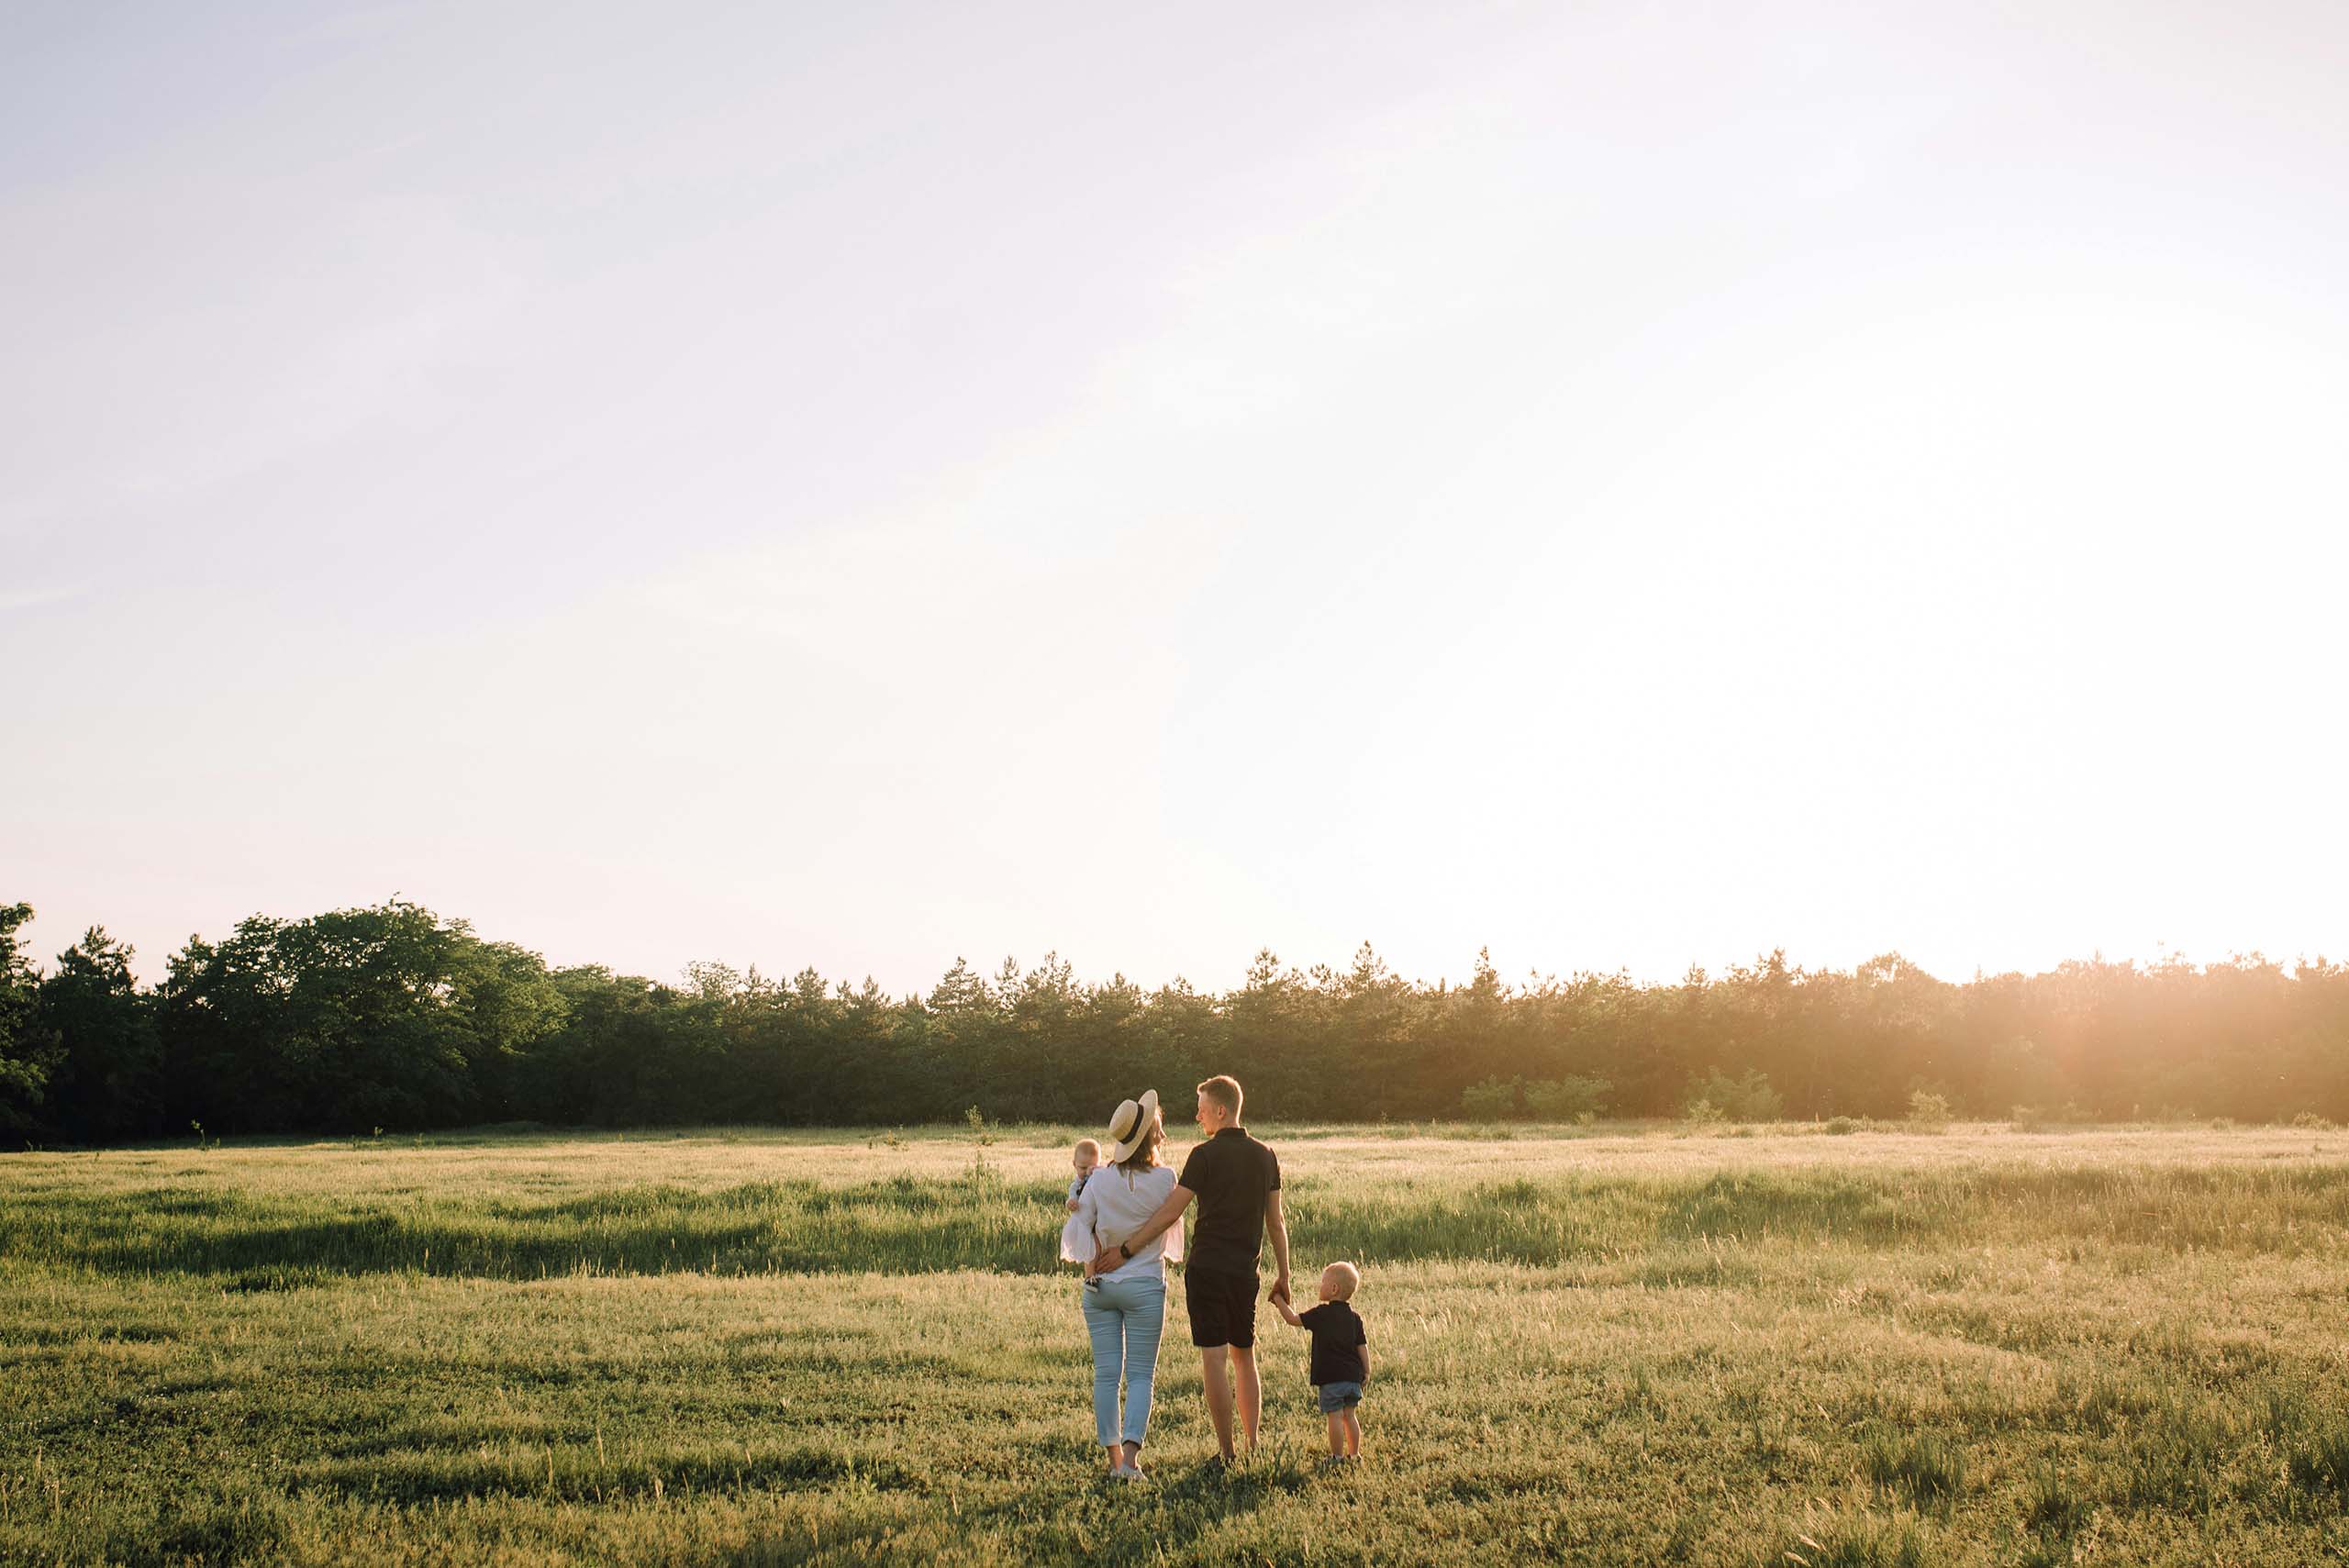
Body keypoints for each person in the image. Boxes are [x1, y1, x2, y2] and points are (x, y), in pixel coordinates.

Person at [1091, 1074, 1289, 1465]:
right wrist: (1284, 1273)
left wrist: (1127, 1249)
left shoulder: (1203, 1155)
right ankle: (1253, 1446)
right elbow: (1276, 1222)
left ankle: (1227, 1453)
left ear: (1221, 1110)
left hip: (1207, 1270)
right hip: (1246, 1272)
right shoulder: (1266, 1154)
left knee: (1214, 1359)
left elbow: (1170, 1212)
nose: (1197, 1115)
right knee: (1244, 1356)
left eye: (1202, 1108)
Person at [1070, 1092, 1182, 1480]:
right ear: (1152, 1136)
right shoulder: (1167, 1178)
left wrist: (1093, 1261)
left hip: (1099, 1287)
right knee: (1140, 1376)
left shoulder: (1097, 1180)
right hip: (1145, 1287)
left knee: (1105, 1375)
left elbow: (1079, 1229)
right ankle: (1131, 1463)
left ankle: (1113, 1460)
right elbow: (1170, 1237)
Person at [1274, 1261, 1369, 1463]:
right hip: (1352, 1378)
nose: (1320, 1285)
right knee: (1350, 1416)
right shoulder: (1355, 1318)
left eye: (1323, 1282)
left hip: (1331, 1378)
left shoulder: (1321, 1314)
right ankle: (1355, 1455)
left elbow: (1292, 1319)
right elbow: (1362, 1346)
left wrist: (1278, 1299)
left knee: (1334, 1416)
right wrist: (1366, 1371)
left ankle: (1337, 1457)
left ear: (1334, 1289)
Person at [1058, 1137, 1102, 1266]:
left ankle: (1101, 1274)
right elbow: (1072, 1198)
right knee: (1088, 1252)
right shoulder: (1076, 1186)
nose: (1087, 1172)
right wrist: (1071, 1203)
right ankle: (1090, 1278)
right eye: (1083, 1168)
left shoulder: (1100, 1177)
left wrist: (1098, 1172)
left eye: (1092, 1167)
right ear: (1074, 1165)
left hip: (1100, 1221)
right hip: (1084, 1223)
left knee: (1101, 1249)